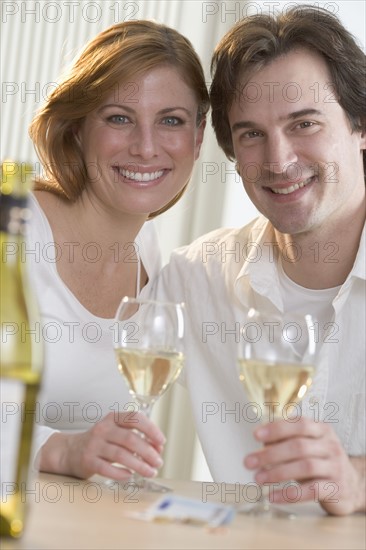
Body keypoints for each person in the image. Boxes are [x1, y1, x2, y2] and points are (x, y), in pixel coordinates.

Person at [154, 5, 365, 515]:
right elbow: (55, 386)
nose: (278, 161)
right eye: (251, 134)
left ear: (360, 126)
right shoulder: (194, 279)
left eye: (305, 123)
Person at [27, 19, 208, 482]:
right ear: (76, 129)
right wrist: (60, 451)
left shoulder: (151, 258)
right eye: (119, 118)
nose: (146, 148)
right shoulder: (14, 232)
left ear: (199, 136)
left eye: (171, 121)